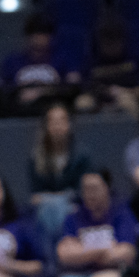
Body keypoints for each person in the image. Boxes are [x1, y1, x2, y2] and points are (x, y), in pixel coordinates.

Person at [51, 170, 139, 277]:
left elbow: (126, 253)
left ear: (107, 188)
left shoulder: (122, 215)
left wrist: (82, 250)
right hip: (76, 276)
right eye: (85, 189)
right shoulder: (73, 218)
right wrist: (105, 249)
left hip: (111, 273)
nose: (89, 193)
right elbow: (64, 254)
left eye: (94, 188)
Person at [27, 102, 91, 242]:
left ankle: (64, 250)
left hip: (74, 208)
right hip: (45, 210)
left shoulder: (81, 156)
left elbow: (83, 191)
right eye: (53, 121)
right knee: (47, 210)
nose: (58, 126)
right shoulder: (36, 158)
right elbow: (35, 196)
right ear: (46, 126)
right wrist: (57, 200)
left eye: (62, 120)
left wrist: (56, 199)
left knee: (60, 208)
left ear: (69, 124)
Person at [0, 14, 67, 112]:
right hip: (19, 110)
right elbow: (1, 88)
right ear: (28, 36)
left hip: (53, 110)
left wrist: (40, 92)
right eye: (36, 34)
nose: (40, 39)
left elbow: (70, 86)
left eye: (44, 34)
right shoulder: (12, 61)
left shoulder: (61, 59)